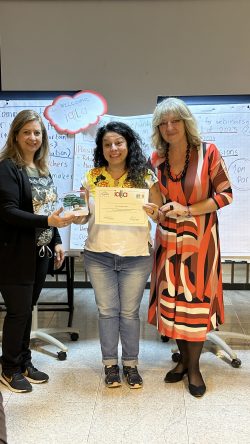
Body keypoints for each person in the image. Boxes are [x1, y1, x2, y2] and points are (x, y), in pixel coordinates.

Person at [147, 97, 233, 397]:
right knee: (174, 304)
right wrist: (153, 212)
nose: (170, 127)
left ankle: (194, 369)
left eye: (175, 121)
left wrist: (187, 210)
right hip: (168, 243)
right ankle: (183, 361)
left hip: (201, 244)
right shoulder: (155, 160)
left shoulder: (208, 152)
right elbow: (157, 203)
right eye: (164, 123)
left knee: (194, 304)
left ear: (186, 122)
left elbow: (225, 196)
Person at [78, 121, 162, 388]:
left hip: (136, 255)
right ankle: (110, 365)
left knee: (128, 313)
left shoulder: (146, 177)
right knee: (106, 312)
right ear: (101, 148)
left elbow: (160, 213)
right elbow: (82, 215)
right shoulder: (91, 178)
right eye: (107, 144)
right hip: (98, 253)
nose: (113, 148)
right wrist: (75, 215)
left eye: (118, 143)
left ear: (128, 145)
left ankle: (131, 365)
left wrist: (154, 212)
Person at [0, 110, 75, 393]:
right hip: (14, 255)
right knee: (18, 312)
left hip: (40, 253)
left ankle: (24, 362)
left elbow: (47, 210)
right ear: (16, 136)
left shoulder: (43, 169)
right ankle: (8, 368)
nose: (33, 138)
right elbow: (8, 212)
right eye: (27, 133)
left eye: (38, 133)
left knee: (27, 310)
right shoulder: (7, 167)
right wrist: (48, 222)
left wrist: (55, 239)